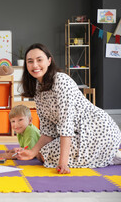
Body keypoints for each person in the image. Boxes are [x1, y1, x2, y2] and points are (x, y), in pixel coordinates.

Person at [17, 43, 121, 174]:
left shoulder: (61, 81)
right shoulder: (38, 88)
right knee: (41, 155)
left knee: (44, 156)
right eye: (30, 61)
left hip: (98, 131)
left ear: (49, 61)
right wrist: (32, 152)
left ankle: (108, 154)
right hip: (77, 133)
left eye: (39, 60)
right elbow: (48, 128)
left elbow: (66, 124)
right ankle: (106, 154)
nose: (35, 65)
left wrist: (63, 162)